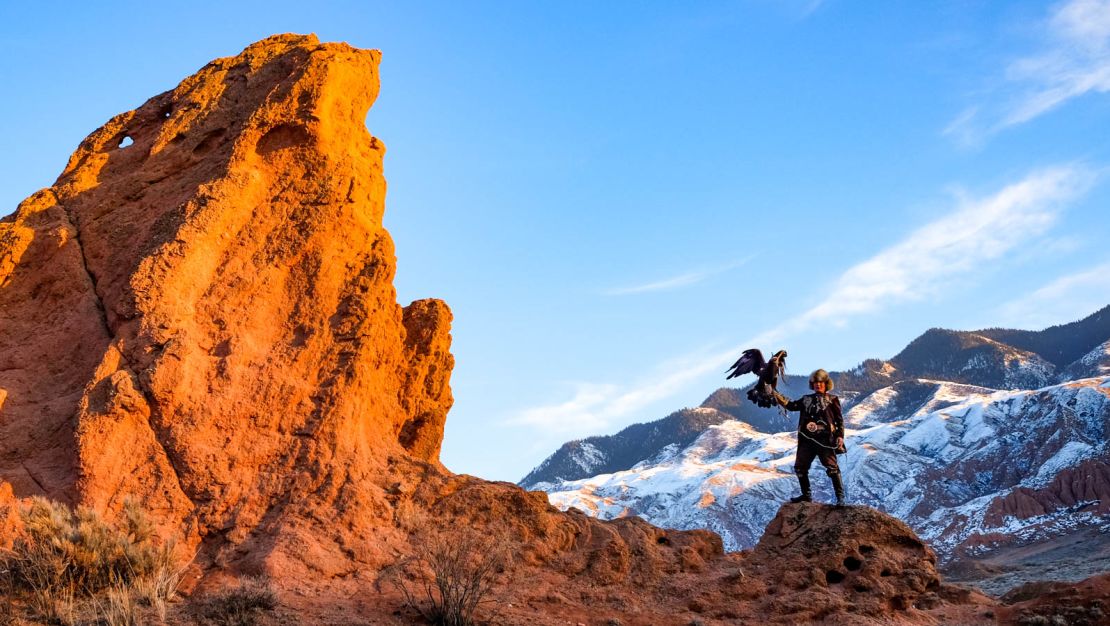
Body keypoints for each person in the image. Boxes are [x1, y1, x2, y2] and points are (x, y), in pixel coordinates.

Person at [776, 369, 846, 506]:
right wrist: (776, 395)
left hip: (826, 440)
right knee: (800, 468)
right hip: (806, 440)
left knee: (832, 468)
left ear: (826, 384)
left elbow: (839, 420)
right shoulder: (806, 399)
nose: (817, 385)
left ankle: (840, 498)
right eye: (815, 383)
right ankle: (806, 496)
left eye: (820, 382)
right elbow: (791, 406)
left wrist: (840, 436)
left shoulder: (832, 400)